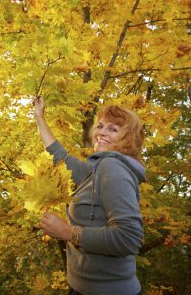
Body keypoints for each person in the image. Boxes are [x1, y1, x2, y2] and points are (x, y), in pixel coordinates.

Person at [33, 96, 146, 295]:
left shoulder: (113, 168)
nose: (101, 132)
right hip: (82, 287)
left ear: (128, 140)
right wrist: (39, 116)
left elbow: (129, 238)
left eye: (113, 129)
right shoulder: (96, 170)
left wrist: (68, 232)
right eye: (100, 126)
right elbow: (60, 157)